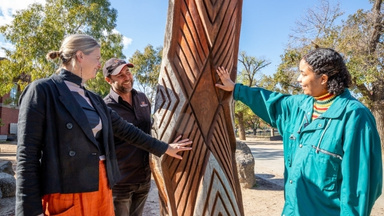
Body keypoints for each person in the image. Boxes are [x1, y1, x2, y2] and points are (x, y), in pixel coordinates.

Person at [16, 34, 192, 216]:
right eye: (97, 58)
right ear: (80, 56)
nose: (99, 64)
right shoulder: (42, 90)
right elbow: (27, 155)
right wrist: (30, 210)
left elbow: (128, 131)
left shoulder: (94, 99)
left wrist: (165, 148)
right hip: (68, 190)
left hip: (103, 184)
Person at [215, 48, 383, 215]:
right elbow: (269, 101)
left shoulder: (355, 116)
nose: (298, 79)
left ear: (323, 79)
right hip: (292, 210)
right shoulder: (298, 106)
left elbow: (360, 186)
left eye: (303, 74)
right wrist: (236, 89)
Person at [102, 58, 153, 216]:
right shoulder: (105, 107)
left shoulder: (142, 99)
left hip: (144, 180)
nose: (127, 77)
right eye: (120, 75)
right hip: (121, 183)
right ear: (108, 80)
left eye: (128, 72)